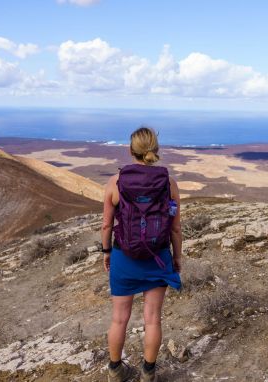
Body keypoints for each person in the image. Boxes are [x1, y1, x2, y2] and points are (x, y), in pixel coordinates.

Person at [101, 126, 183, 382]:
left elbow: (106, 224)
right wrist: (177, 258)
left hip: (123, 257)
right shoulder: (168, 183)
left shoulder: (116, 182)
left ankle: (115, 371)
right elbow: (176, 227)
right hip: (158, 257)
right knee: (152, 319)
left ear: (130, 150)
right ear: (156, 151)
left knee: (119, 319)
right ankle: (148, 373)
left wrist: (106, 252)